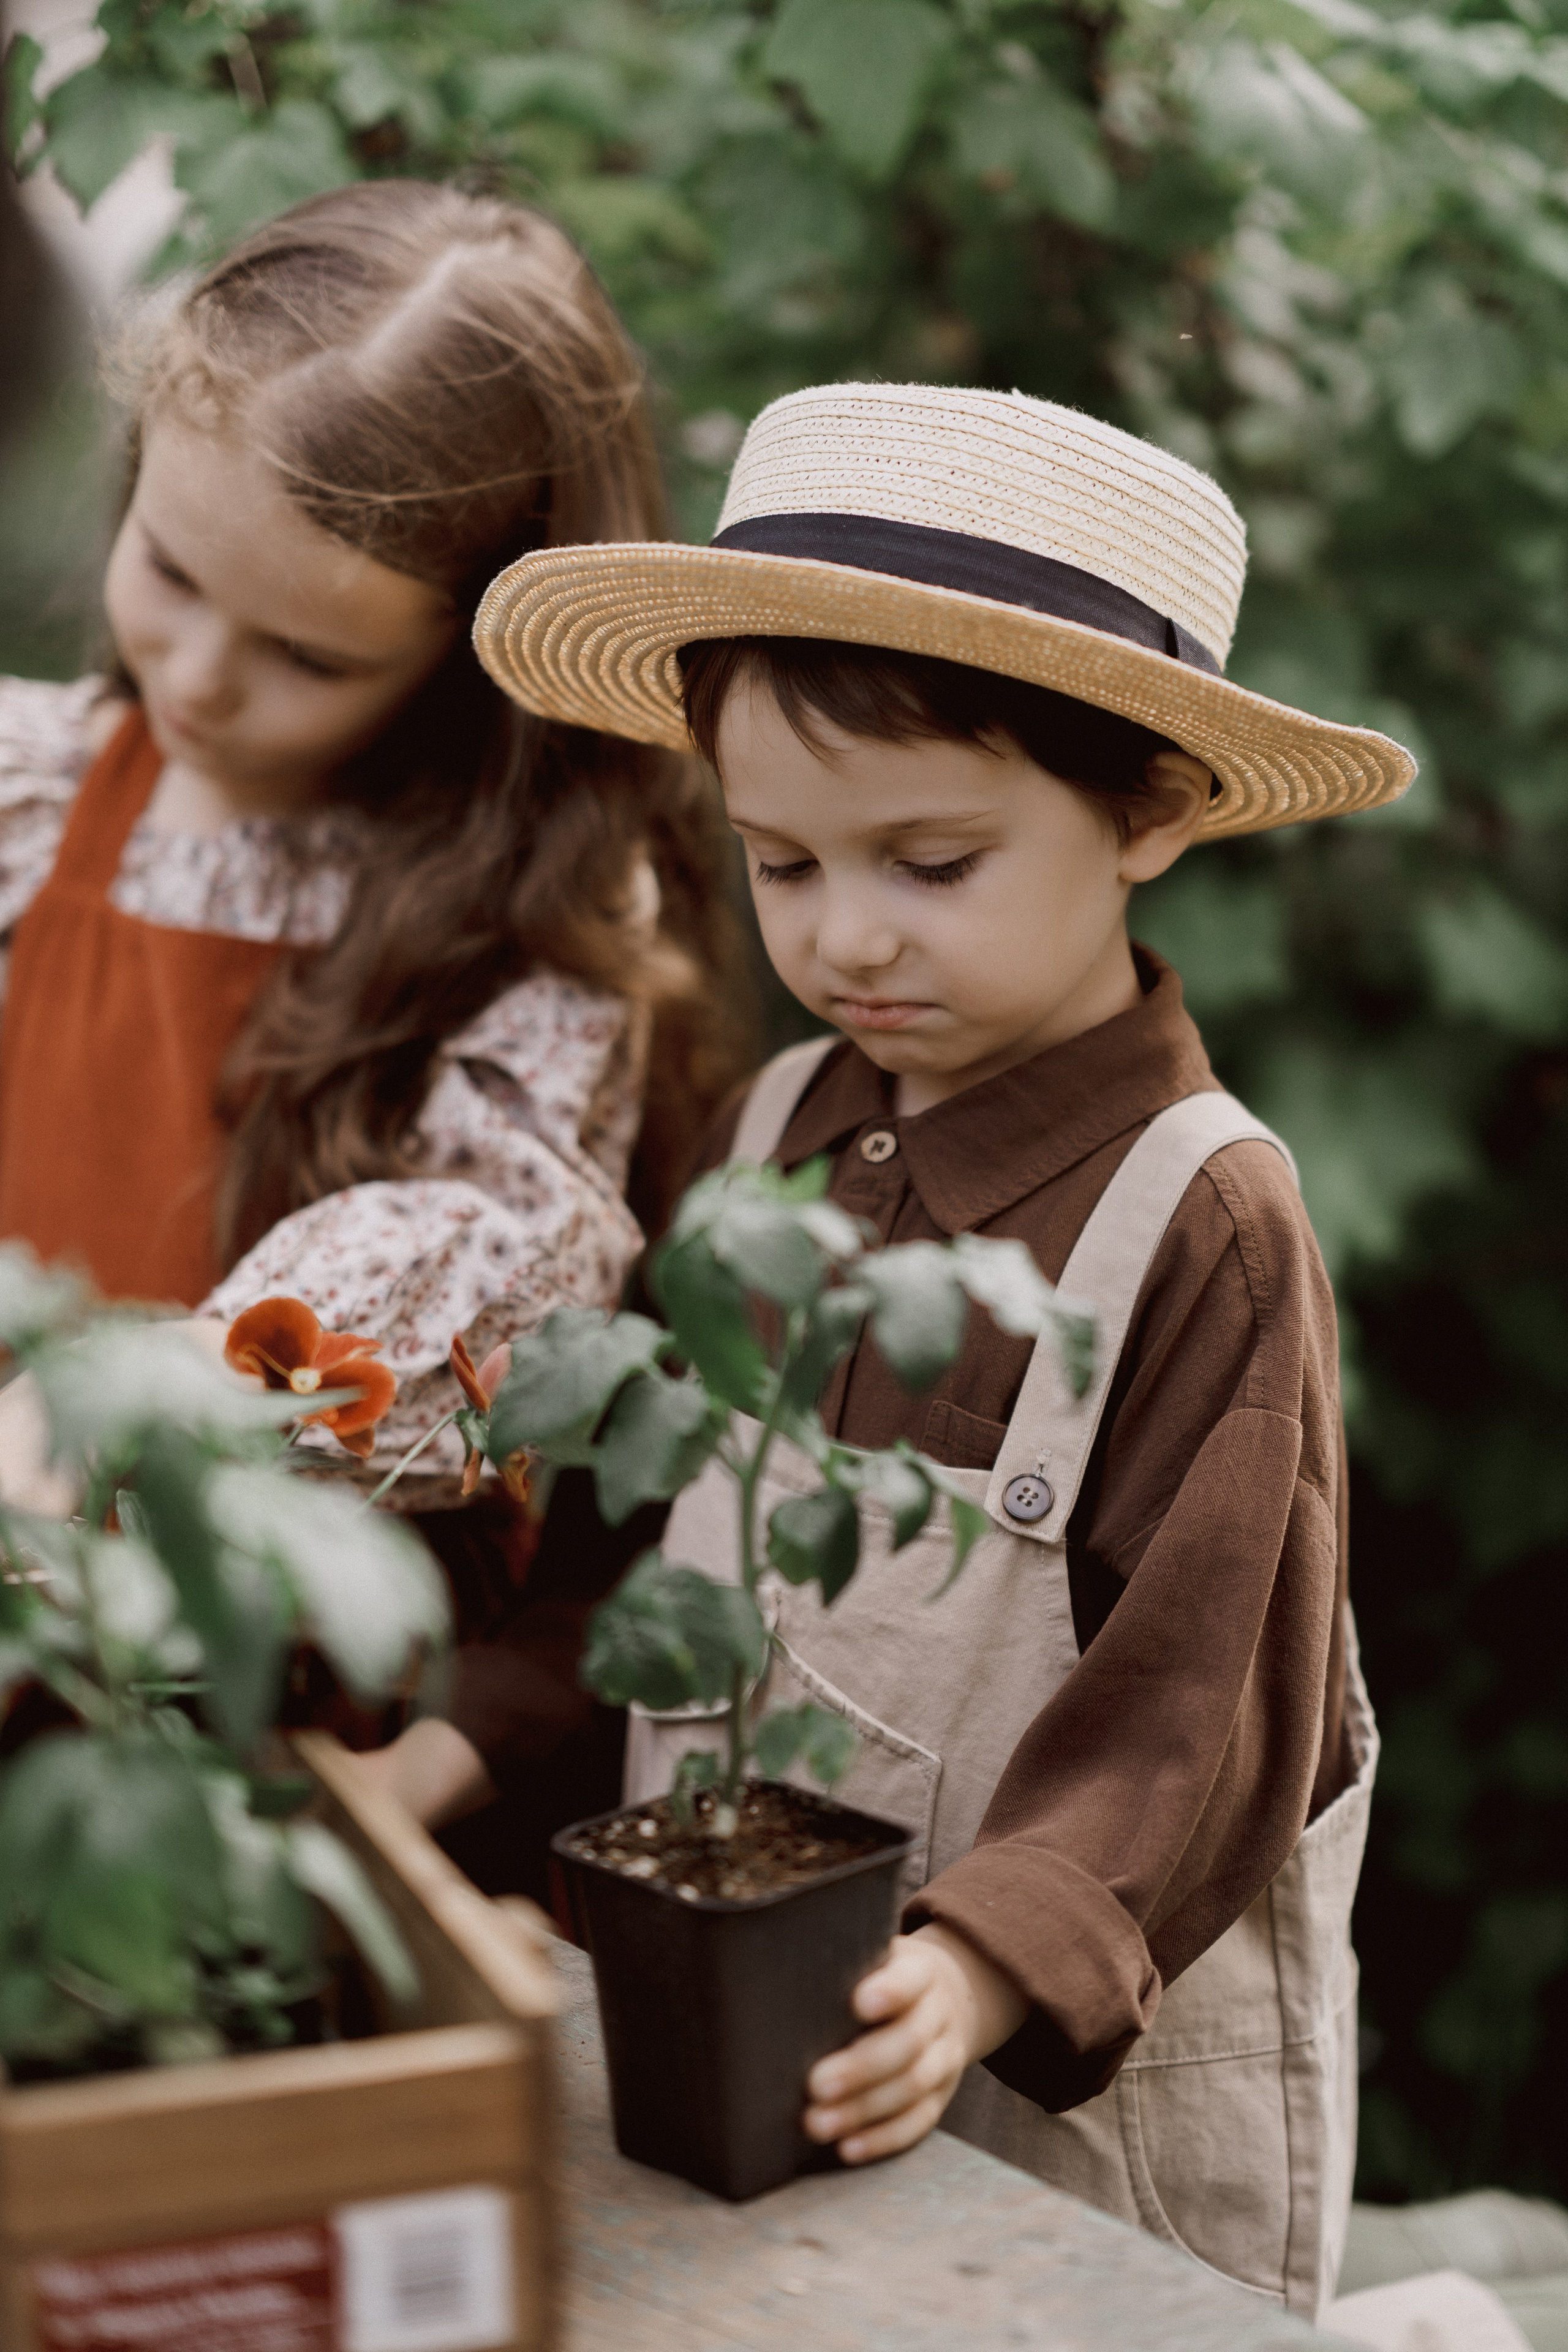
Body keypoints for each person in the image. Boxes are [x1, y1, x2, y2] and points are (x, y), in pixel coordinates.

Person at [466, 382, 1414, 2318]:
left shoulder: (1202, 1216)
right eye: (784, 865)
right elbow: (634, 1571)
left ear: (1148, 807)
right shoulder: (771, 1141)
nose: (846, 939)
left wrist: (985, 1957)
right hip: (737, 2050)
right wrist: (449, 1745)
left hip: (1070, 2112)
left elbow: (1204, 1709)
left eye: (932, 862)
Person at [0, 182, 745, 1751]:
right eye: (170, 574)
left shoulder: (528, 909)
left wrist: (162, 1394)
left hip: (277, 1679)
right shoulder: (35, 791)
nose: (197, 677)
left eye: (309, 658)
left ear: (478, 661)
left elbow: (507, 1245)